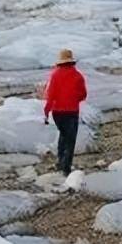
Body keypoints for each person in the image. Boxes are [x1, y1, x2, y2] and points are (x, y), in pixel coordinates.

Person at [43, 48, 87, 176]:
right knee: (70, 140)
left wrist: (46, 111)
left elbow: (50, 95)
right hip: (72, 111)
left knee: (63, 135)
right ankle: (66, 168)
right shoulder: (78, 76)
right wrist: (74, 99)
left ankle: (60, 162)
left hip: (57, 112)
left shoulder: (54, 75)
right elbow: (83, 95)